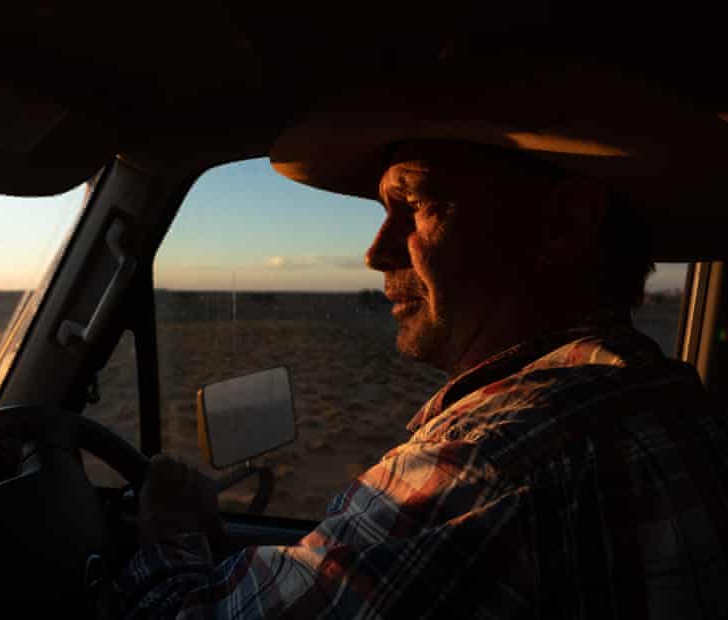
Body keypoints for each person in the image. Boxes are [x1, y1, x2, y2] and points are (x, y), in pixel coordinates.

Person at [114, 69, 728, 617]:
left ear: (563, 225)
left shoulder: (488, 463)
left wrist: (171, 533)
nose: (377, 252)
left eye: (415, 205)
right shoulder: (678, 408)